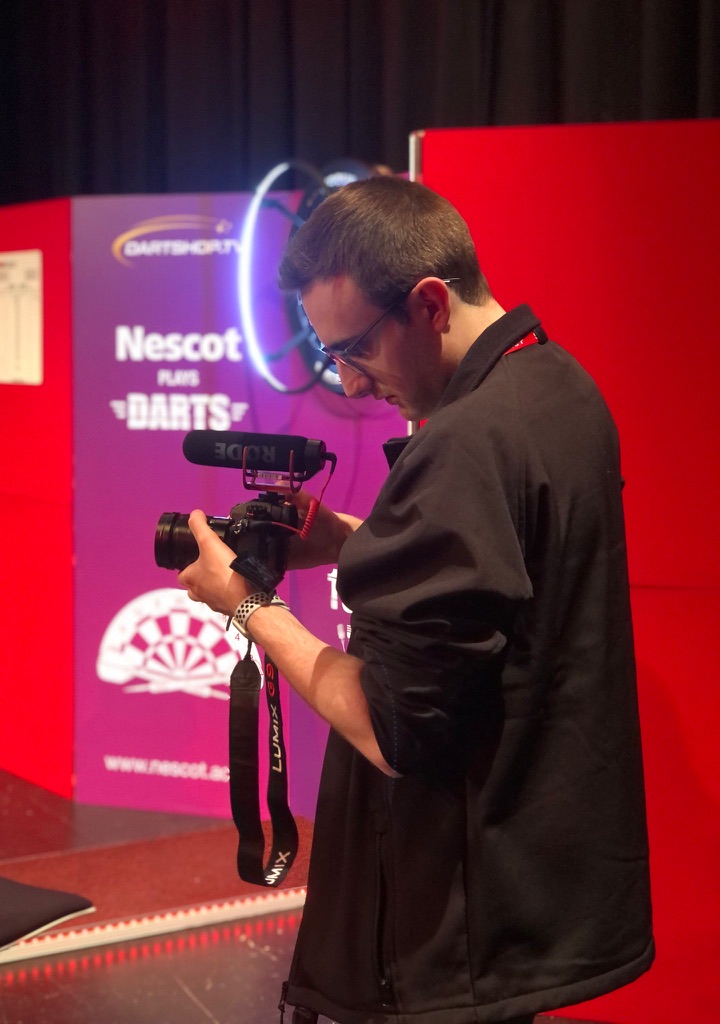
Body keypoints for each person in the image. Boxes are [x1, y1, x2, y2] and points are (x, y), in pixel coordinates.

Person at [178, 177, 654, 1024]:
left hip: (456, 930)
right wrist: (354, 540)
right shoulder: (561, 389)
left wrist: (248, 605)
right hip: (526, 891)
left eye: (354, 350)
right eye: (329, 356)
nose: (350, 385)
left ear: (430, 304)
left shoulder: (464, 445)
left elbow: (391, 730)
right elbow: (500, 577)